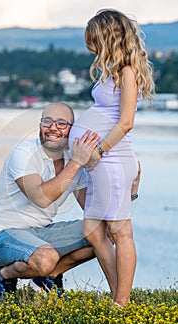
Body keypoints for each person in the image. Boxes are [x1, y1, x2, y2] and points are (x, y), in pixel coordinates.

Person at [0, 102, 140, 300]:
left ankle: (50, 275)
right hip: (2, 235)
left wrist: (131, 192)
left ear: (72, 130)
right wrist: (76, 163)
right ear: (40, 126)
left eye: (61, 124)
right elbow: (41, 198)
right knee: (46, 258)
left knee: (102, 233)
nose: (52, 128)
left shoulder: (74, 162)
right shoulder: (24, 153)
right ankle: (4, 276)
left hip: (41, 233)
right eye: (47, 122)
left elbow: (101, 213)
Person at [69, 9, 154, 306]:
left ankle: (121, 303)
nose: (91, 46)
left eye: (94, 39)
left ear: (107, 37)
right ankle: (119, 295)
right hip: (102, 163)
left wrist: (98, 151)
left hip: (113, 160)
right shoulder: (111, 71)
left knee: (121, 231)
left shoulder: (127, 72)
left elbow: (126, 121)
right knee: (93, 232)